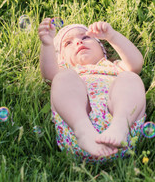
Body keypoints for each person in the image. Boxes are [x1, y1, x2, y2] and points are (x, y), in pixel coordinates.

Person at [38, 18, 147, 162]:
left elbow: (136, 63)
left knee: (130, 78)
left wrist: (112, 36)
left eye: (86, 37)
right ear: (61, 59)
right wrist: (47, 44)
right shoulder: (68, 72)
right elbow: (48, 74)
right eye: (68, 43)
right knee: (62, 78)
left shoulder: (114, 68)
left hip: (123, 133)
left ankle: (120, 125)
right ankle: (83, 130)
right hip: (75, 130)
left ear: (102, 49)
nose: (78, 42)